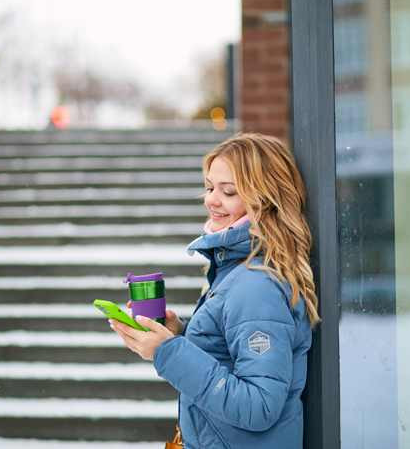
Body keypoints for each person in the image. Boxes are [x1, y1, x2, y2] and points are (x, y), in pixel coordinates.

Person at [109, 132, 321, 449]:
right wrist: (179, 333)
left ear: (265, 199)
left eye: (229, 191)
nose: (211, 199)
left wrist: (167, 351)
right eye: (210, 187)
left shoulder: (256, 286)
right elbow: (229, 356)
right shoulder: (234, 272)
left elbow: (259, 407)